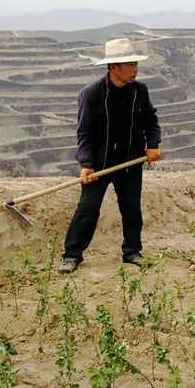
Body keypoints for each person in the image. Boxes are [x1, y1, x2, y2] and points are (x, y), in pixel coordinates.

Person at [59, 38, 162, 274]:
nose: (135, 68)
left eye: (135, 63)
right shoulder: (91, 94)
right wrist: (86, 164)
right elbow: (84, 132)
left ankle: (132, 251)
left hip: (130, 161)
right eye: (130, 64)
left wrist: (153, 144)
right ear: (114, 66)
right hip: (99, 163)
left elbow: (151, 120)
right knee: (87, 209)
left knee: (131, 208)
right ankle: (72, 254)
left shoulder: (140, 91)